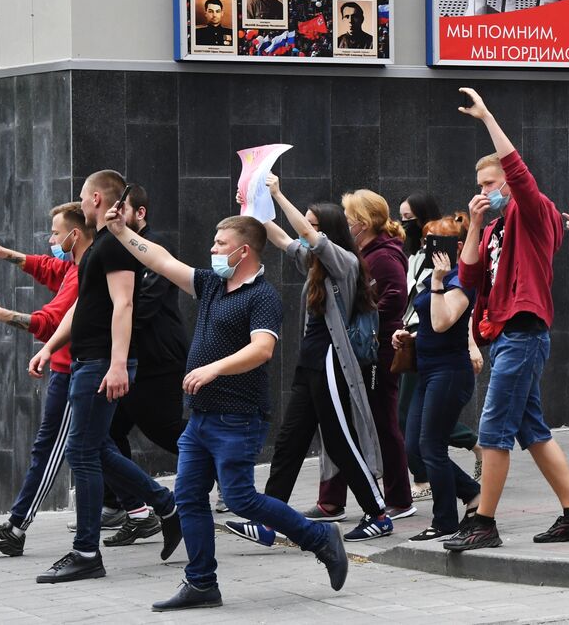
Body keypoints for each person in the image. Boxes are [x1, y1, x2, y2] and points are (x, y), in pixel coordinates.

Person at [102, 210, 349, 610]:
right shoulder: (213, 283)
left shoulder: (263, 296)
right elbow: (161, 261)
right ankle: (201, 583)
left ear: (243, 250)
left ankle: (320, 539)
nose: (212, 249)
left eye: (220, 244)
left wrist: (213, 369)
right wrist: (121, 231)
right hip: (200, 417)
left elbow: (262, 349)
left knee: (240, 498)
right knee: (189, 496)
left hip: (238, 416)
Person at [446, 87, 569, 550]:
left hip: (523, 331)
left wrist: (488, 116)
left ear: (509, 185)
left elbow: (518, 169)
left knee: (494, 430)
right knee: (532, 431)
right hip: (509, 333)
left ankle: (483, 522)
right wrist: (473, 224)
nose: (482, 193)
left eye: (489, 186)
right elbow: (468, 273)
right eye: (478, 187)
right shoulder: (493, 225)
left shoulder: (534, 213)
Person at [28, 170, 181, 583]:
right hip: (88, 360)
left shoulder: (114, 247)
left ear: (95, 197)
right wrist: (49, 347)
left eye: (82, 196)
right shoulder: (98, 247)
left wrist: (117, 363)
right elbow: (82, 307)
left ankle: (86, 552)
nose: (79, 202)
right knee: (95, 449)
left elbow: (124, 304)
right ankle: (165, 505)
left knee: (82, 452)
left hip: (100, 363)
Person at [228, 176, 394, 545]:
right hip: (311, 363)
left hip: (333, 364)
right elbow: (283, 239)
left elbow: (308, 236)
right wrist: (251, 207)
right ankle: (269, 519)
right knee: (289, 442)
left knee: (339, 440)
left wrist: (277, 194)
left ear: (327, 231)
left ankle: (378, 513)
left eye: (311, 224)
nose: (304, 231)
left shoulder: (345, 262)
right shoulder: (316, 265)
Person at [0, 203, 90, 557]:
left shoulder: (85, 272)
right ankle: (152, 507)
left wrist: (2, 314)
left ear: (74, 235)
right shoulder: (76, 264)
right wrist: (5, 254)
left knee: (52, 450)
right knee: (99, 451)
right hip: (68, 366)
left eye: (54, 232)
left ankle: (16, 528)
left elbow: (53, 319)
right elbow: (50, 267)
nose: (51, 239)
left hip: (75, 370)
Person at [308, 190, 414, 522]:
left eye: (348, 215)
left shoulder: (383, 256)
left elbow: (395, 298)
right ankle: (332, 499)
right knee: (341, 420)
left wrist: (357, 321)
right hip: (360, 349)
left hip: (377, 351)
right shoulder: (364, 252)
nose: (344, 220)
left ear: (362, 223)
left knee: (382, 421)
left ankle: (398, 497)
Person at [100, 186, 189, 545]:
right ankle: (125, 504)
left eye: (124, 213)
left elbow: (142, 307)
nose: (116, 219)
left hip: (157, 358)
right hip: (132, 358)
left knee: (166, 430)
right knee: (107, 431)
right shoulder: (116, 248)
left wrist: (105, 330)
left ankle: (225, 469)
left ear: (140, 214)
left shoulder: (155, 248)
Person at [400, 215, 484, 540]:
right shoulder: (435, 277)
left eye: (437, 242)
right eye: (426, 241)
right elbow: (427, 324)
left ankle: (445, 520)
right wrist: (407, 336)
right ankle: (472, 493)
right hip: (428, 369)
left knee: (431, 445)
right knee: (416, 446)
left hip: (450, 372)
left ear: (458, 247)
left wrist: (437, 281)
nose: (428, 248)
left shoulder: (462, 279)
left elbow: (442, 322)